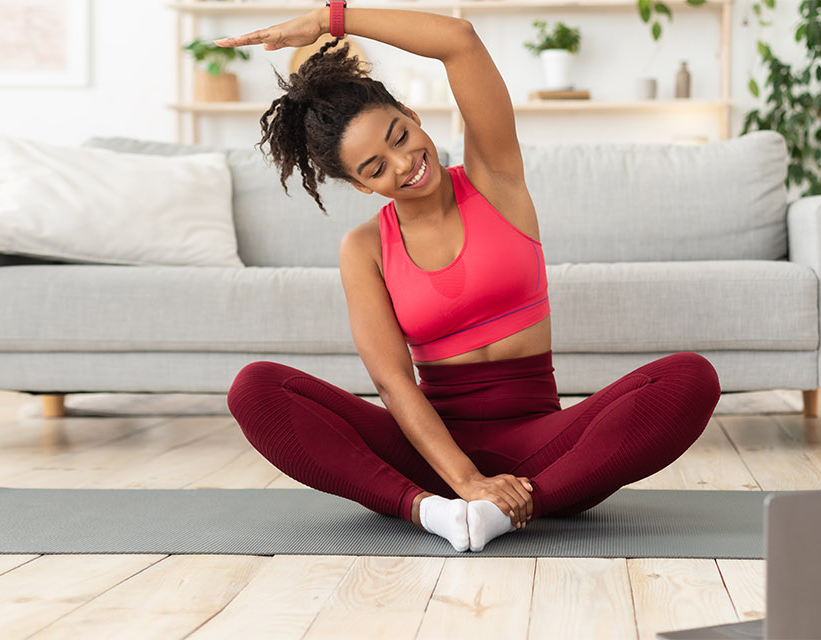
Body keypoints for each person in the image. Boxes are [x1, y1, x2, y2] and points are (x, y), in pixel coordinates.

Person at [215, 5, 721, 553]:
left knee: (690, 378)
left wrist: (332, 20)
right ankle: (433, 511)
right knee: (256, 390)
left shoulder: (494, 179)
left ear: (411, 113)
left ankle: (504, 510)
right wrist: (464, 480)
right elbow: (394, 385)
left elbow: (459, 40)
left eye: (399, 135)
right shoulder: (364, 249)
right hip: (429, 453)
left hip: (543, 449)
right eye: (376, 168)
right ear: (361, 187)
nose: (404, 163)